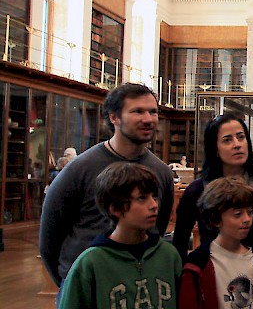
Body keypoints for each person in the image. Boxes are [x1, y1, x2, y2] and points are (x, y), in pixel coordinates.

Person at [40, 83, 175, 300]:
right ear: (114, 117)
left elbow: (156, 227)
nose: (149, 119)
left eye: (153, 111)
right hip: (87, 286)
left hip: (138, 287)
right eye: (137, 111)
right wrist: (71, 282)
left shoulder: (161, 171)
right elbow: (50, 237)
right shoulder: (79, 169)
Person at [58, 162, 182, 308]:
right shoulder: (90, 264)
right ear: (115, 208)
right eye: (142, 198)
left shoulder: (168, 256)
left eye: (154, 196)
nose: (154, 205)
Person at [172, 113, 253, 259]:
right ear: (215, 149)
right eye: (227, 140)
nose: (237, 144)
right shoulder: (197, 190)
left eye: (241, 137)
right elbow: (180, 243)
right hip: (212, 272)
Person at [179, 177, 253, 309]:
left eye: (250, 213)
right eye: (237, 214)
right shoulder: (197, 265)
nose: (247, 219)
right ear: (215, 218)